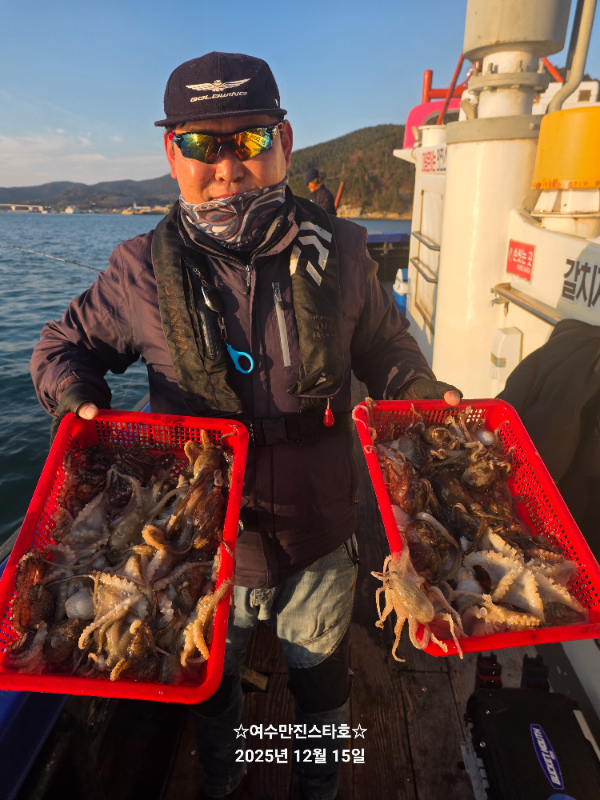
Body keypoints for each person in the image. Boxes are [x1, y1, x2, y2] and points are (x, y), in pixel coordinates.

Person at [30, 52, 461, 800]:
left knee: (320, 686)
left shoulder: (345, 251)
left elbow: (387, 348)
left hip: (319, 533)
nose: (228, 166)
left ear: (284, 143)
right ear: (173, 155)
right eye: (203, 143)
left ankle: (317, 788)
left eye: (251, 139)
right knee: (211, 684)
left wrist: (416, 385)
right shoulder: (138, 271)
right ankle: (223, 780)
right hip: (197, 551)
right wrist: (77, 396)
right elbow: (60, 347)